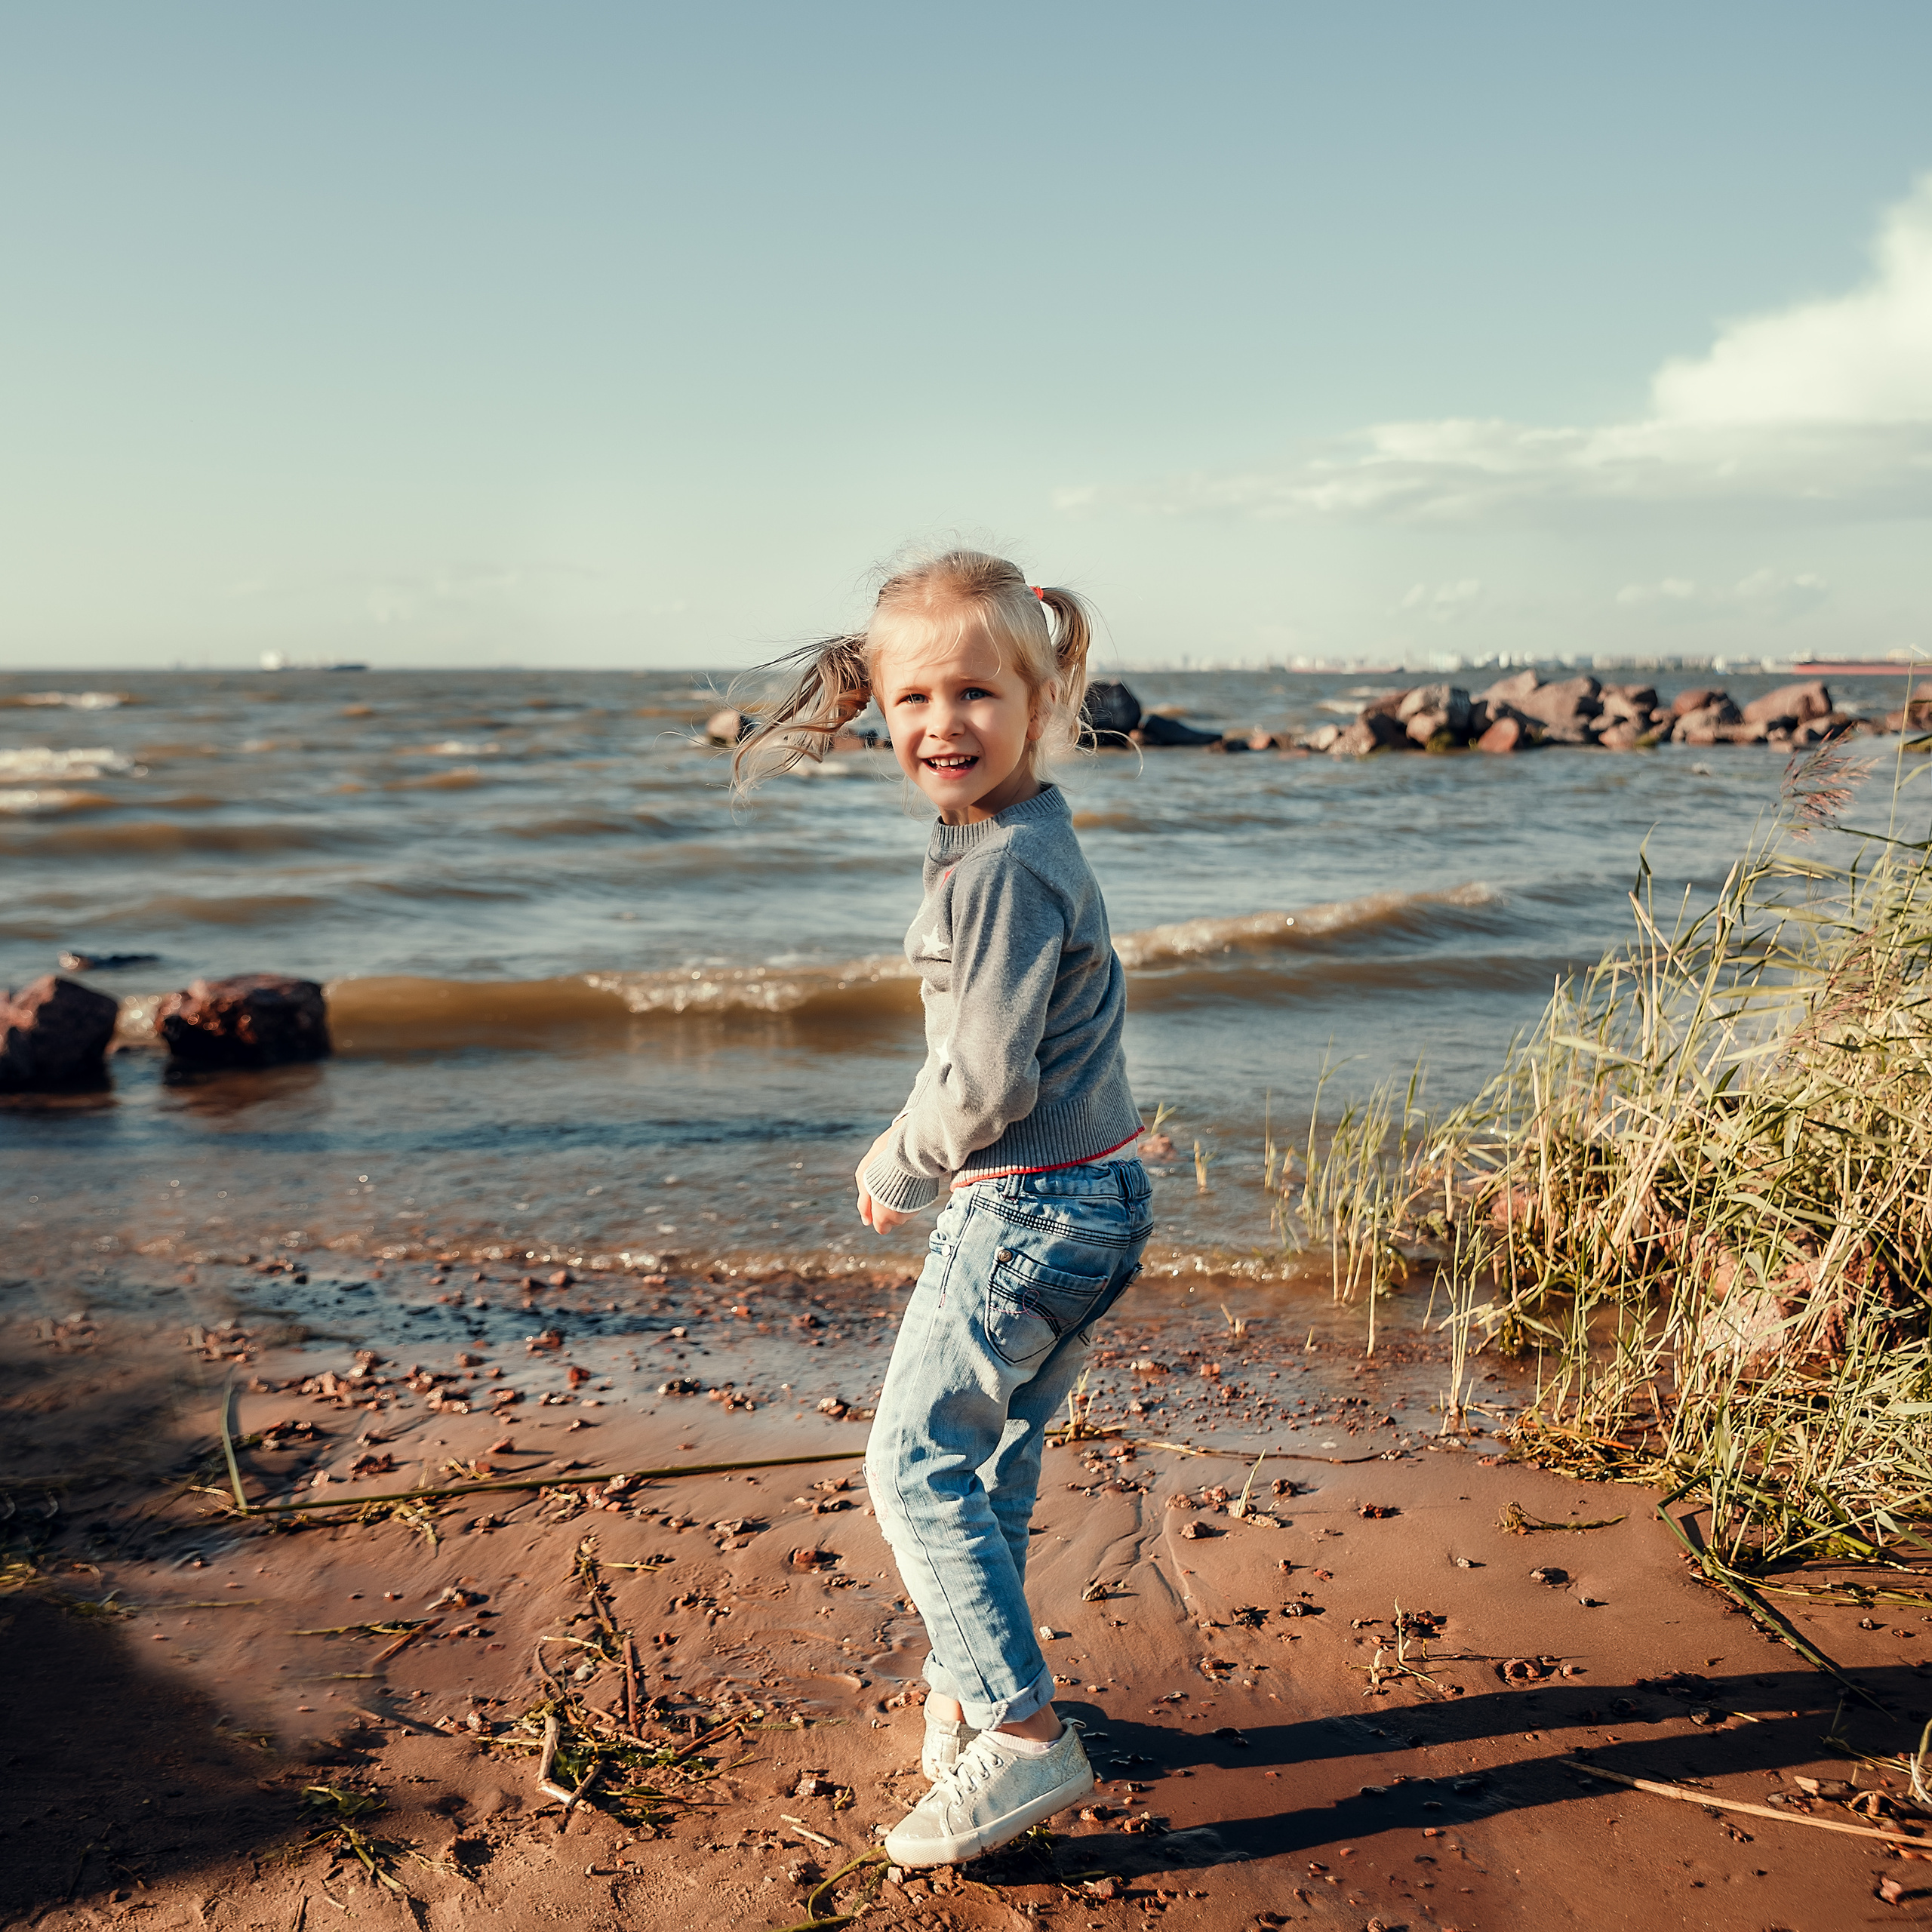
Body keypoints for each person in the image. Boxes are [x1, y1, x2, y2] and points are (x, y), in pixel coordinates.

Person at [734, 549, 1152, 1866]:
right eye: (912, 699)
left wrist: (897, 1159)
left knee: (911, 1468)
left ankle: (1026, 1740)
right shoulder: (1024, 835)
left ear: (1040, 699)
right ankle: (976, 1691)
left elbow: (984, 1079)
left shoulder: (994, 872)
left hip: (1029, 1207)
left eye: (975, 694)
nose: (940, 724)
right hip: (1097, 1191)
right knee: (993, 1467)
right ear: (873, 707)